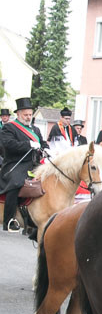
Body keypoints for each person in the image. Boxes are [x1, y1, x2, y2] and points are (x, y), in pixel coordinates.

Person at [0, 98, 47, 231]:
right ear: (19, 114)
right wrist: (28, 144)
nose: (28, 117)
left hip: (34, 163)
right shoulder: (9, 127)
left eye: (30, 115)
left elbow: (42, 143)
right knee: (16, 183)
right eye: (25, 115)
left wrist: (46, 148)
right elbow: (9, 145)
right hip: (15, 164)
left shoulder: (36, 130)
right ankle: (9, 220)